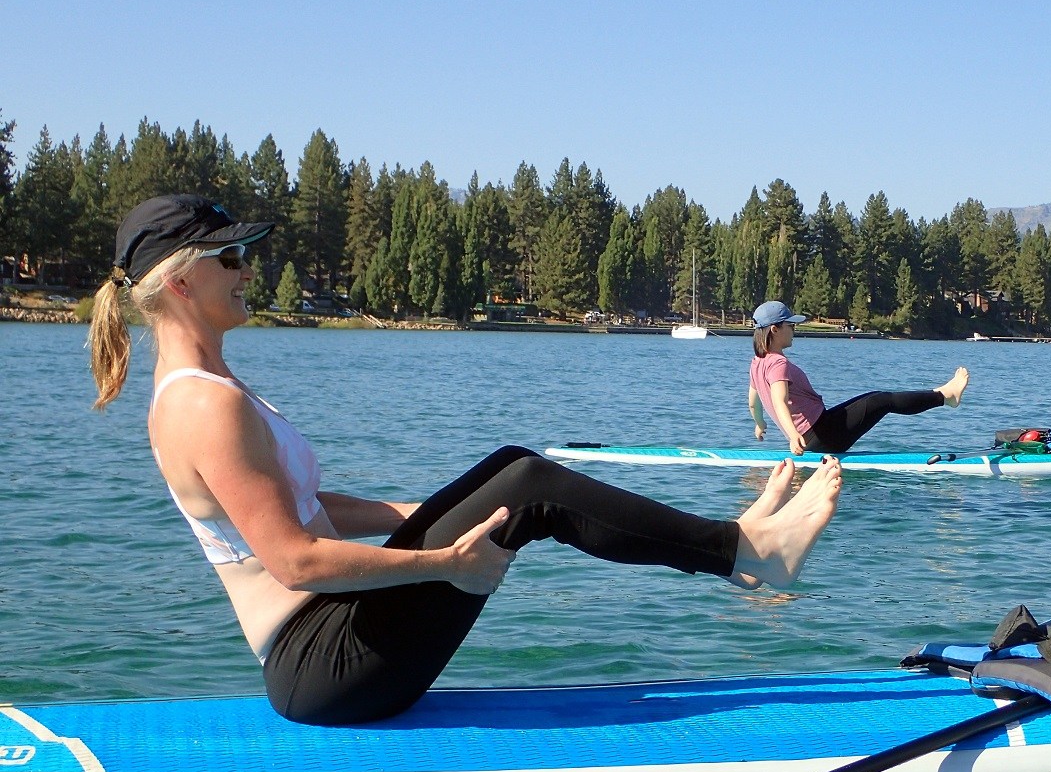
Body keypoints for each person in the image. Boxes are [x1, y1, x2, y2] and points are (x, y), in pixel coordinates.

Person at [89, 195, 842, 727]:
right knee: (530, 486)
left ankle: (736, 545)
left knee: (511, 475)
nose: (250, 268)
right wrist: (446, 559)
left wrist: (441, 517)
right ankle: (747, 555)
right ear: (181, 280)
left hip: (333, 641)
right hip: (322, 662)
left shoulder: (211, 388)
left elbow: (312, 510)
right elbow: (295, 560)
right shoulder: (200, 403)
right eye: (233, 257)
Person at [747, 300, 970, 455]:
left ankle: (943, 395)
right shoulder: (778, 363)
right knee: (882, 401)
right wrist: (794, 435)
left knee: (875, 397)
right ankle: (945, 397)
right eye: (791, 325)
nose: (794, 330)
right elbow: (779, 400)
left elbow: (753, 403)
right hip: (820, 436)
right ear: (774, 330)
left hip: (817, 431)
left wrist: (760, 424)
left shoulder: (757, 363)